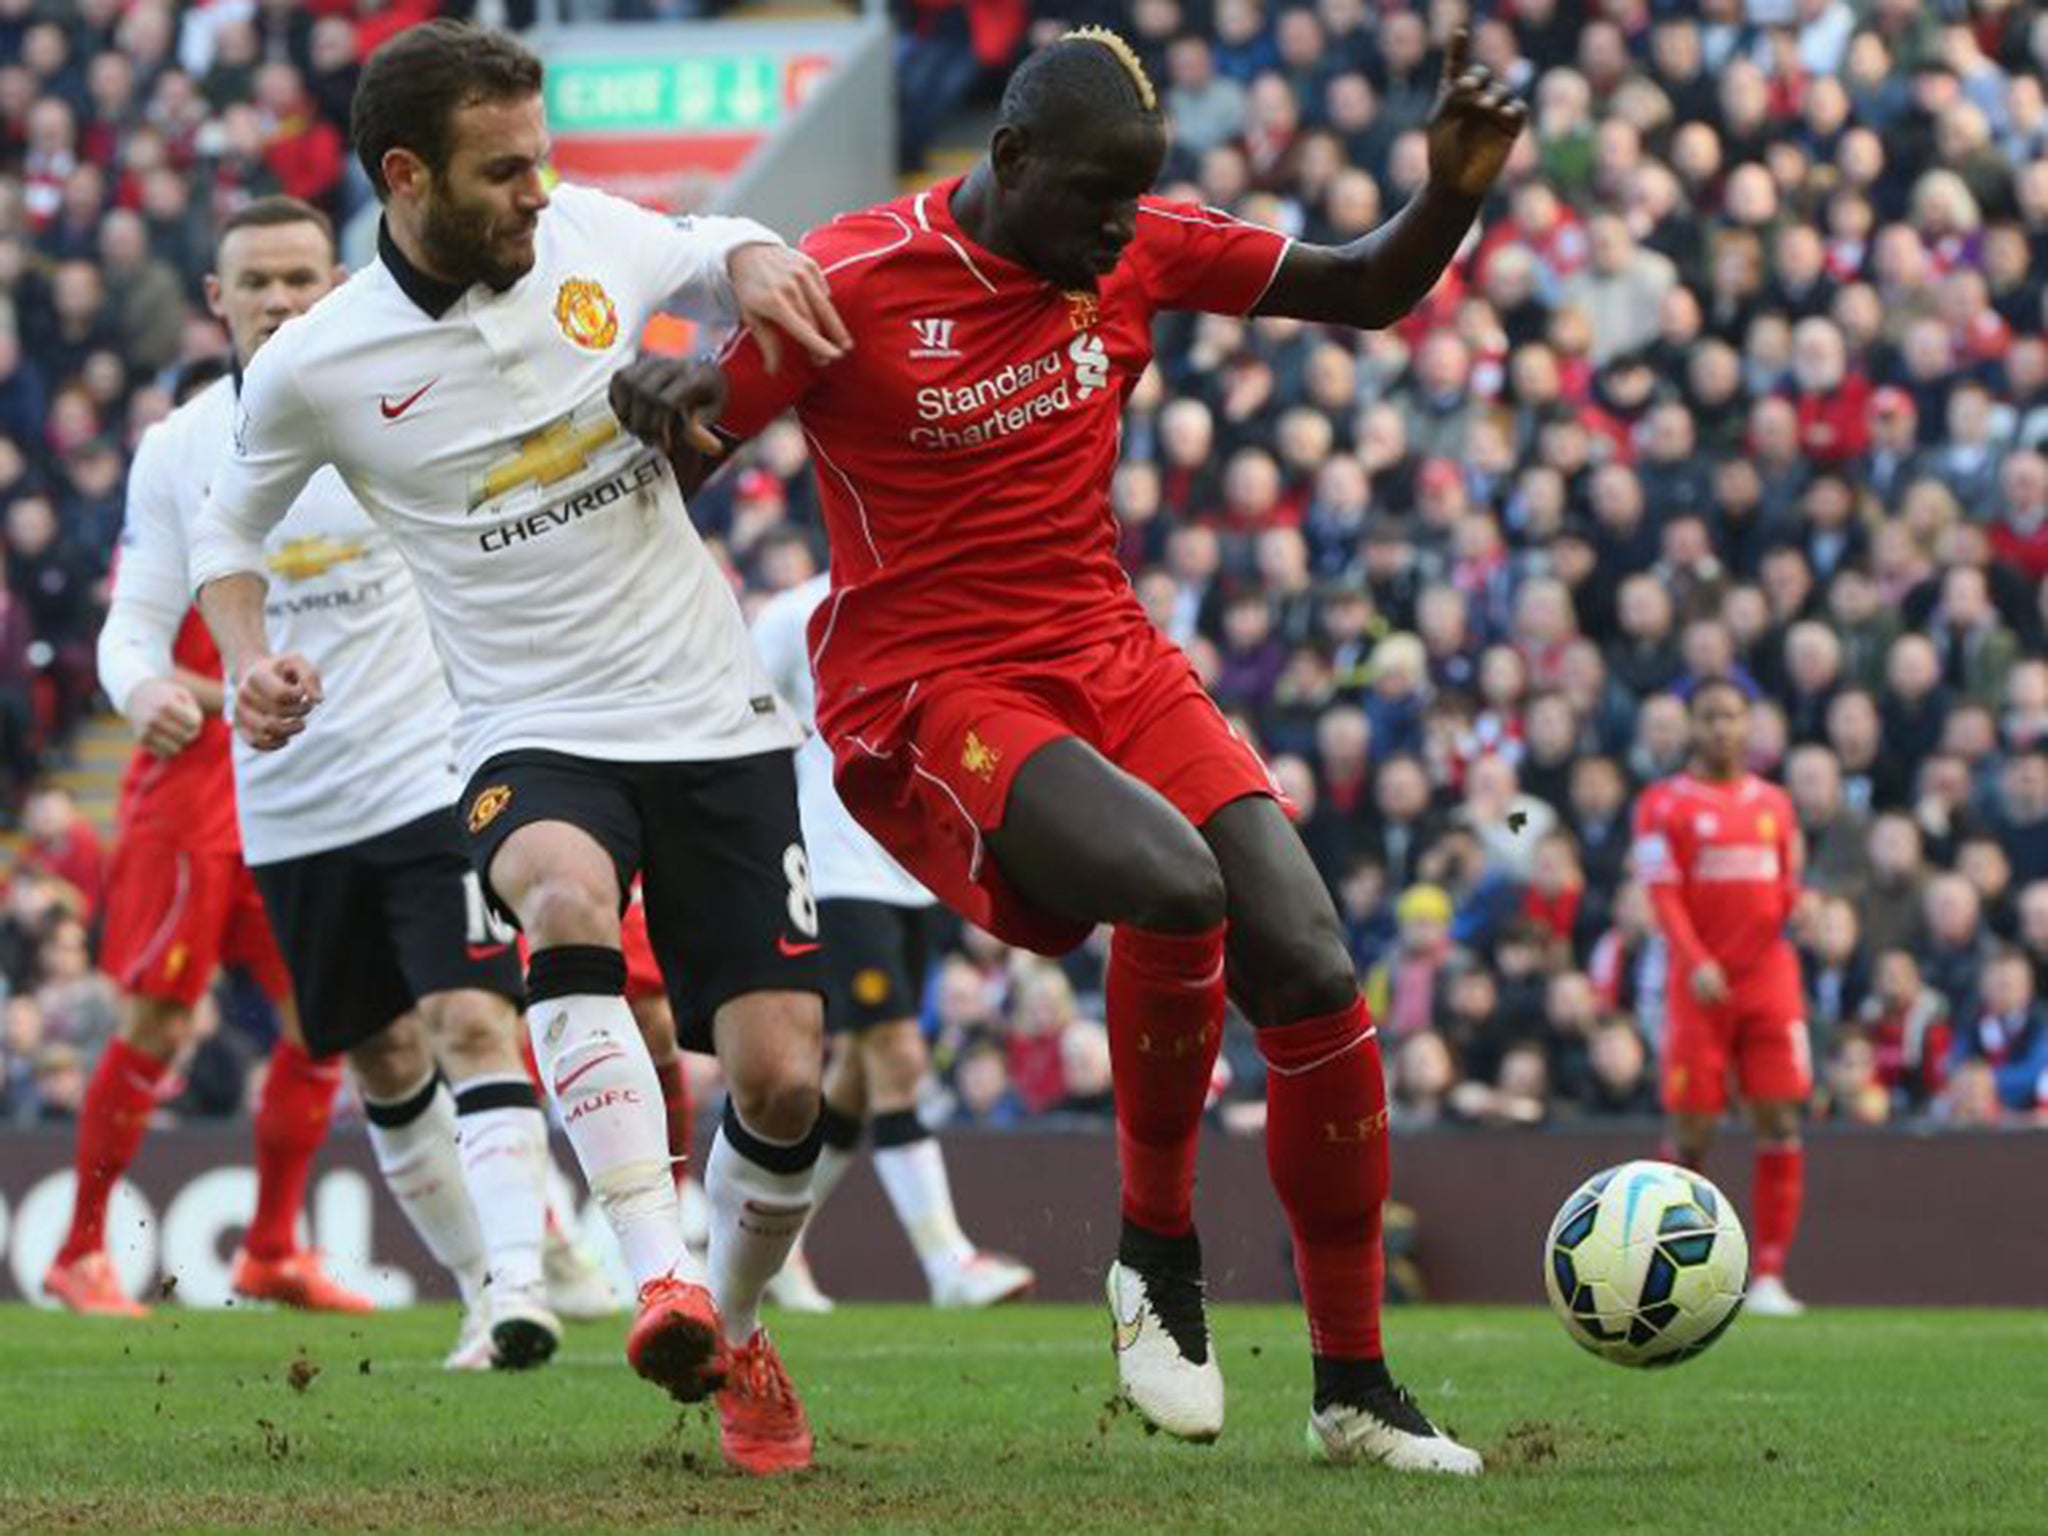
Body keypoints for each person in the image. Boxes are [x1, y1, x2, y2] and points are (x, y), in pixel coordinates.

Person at [633, 26, 1523, 1472]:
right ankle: (1154, 1261)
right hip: (932, 683)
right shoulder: (852, 281)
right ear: (1011, 160)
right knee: (1175, 890)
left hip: (1108, 652)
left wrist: (1450, 196)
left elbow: (1366, 290)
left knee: (1307, 955)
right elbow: (683, 445)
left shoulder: (1138, 246)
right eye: (1098, 200)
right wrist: (662, 408)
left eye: (1137, 203)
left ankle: (1353, 1386)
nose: (1119, 231)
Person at [189, 22, 850, 1475]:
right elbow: (224, 533)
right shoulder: (319, 363)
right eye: (504, 174)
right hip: (522, 729)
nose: (538, 194)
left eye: (542, 163)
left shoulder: (589, 237)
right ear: (407, 175)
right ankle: (653, 1267)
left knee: (788, 1080)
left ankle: (729, 1332)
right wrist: (248, 663)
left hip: (709, 715)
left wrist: (745, 261)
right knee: (557, 895)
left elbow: (712, 238)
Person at [99, 194, 577, 1368]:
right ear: (217, 300)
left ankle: (523, 1281)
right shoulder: (178, 450)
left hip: (430, 777)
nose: (278, 300)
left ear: (338, 279)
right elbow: (132, 626)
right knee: (377, 1059)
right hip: (289, 814)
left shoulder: (409, 406)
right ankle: (480, 1286)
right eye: (254, 282)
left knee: (470, 1018)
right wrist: (144, 693)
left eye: (300, 278)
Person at [45, 317, 367, 1326]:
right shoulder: (174, 511)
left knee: (322, 1014)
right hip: (188, 799)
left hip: (284, 796)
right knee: (162, 1020)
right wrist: (231, 690)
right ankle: (81, 1253)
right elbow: (133, 651)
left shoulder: (315, 504)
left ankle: (272, 1247)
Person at [751, 572, 1034, 1312]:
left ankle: (767, 1249)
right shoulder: (797, 613)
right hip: (839, 872)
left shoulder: (937, 592)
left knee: (854, 1074)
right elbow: (738, 706)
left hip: (917, 873)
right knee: (899, 1055)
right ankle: (948, 1262)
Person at [1632, 679, 1814, 1317]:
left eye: (1732, 716)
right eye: (1709, 717)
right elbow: (1663, 895)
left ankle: (1769, 1275)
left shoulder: (1776, 804)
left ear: (1749, 724)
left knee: (1781, 1116)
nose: (1722, 728)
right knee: (1692, 1125)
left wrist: (1803, 909)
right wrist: (1696, 960)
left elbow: (1787, 883)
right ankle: (1683, 1271)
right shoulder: (1663, 805)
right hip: (1700, 982)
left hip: (1769, 977)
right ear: (1690, 726)